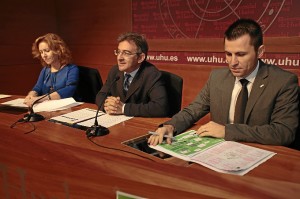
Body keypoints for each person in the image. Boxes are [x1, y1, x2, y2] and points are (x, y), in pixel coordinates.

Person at [148, 18, 299, 146]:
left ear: (259, 52)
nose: (232, 62)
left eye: (240, 54)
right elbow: (193, 110)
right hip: (220, 154)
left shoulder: (283, 82)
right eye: (228, 54)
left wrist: (227, 131)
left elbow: (283, 132)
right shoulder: (217, 77)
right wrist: (170, 125)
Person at [95, 32, 169, 117]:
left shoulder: (152, 74)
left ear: (140, 58)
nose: (119, 58)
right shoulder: (115, 71)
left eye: (126, 53)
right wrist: (109, 105)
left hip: (140, 125)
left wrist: (123, 108)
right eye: (118, 52)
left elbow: (160, 107)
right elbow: (101, 95)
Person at [24, 33, 79, 107]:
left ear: (58, 50)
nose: (44, 55)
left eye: (47, 51)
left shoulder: (72, 69)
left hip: (68, 109)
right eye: (41, 52)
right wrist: (31, 95)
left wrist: (41, 99)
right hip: (47, 108)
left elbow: (69, 90)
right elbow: (38, 88)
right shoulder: (45, 70)